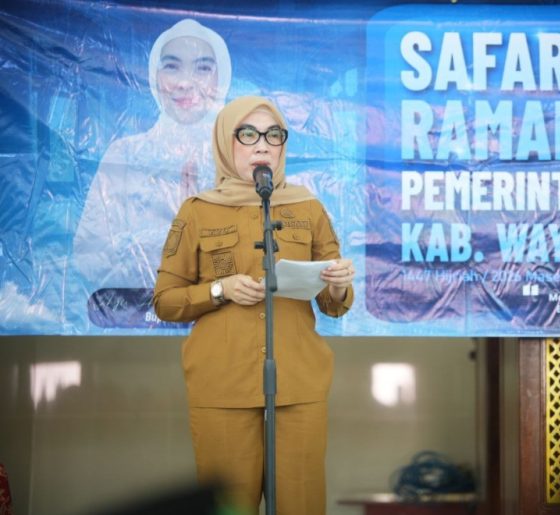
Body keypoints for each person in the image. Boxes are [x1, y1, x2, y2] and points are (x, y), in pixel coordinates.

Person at [152, 96, 355, 514]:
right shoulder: (197, 212)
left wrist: (337, 286)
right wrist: (219, 290)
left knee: (302, 505)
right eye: (248, 134)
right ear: (226, 143)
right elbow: (165, 301)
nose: (263, 144)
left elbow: (334, 304)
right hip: (222, 383)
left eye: (273, 135)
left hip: (298, 382)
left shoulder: (307, 207)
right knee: (230, 507)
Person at [73, 19, 231, 306]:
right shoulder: (125, 156)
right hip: (138, 319)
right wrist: (169, 239)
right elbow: (89, 257)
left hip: (222, 320)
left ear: (221, 79)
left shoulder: (238, 159)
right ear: (154, 77)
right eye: (172, 66)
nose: (185, 82)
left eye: (203, 68)